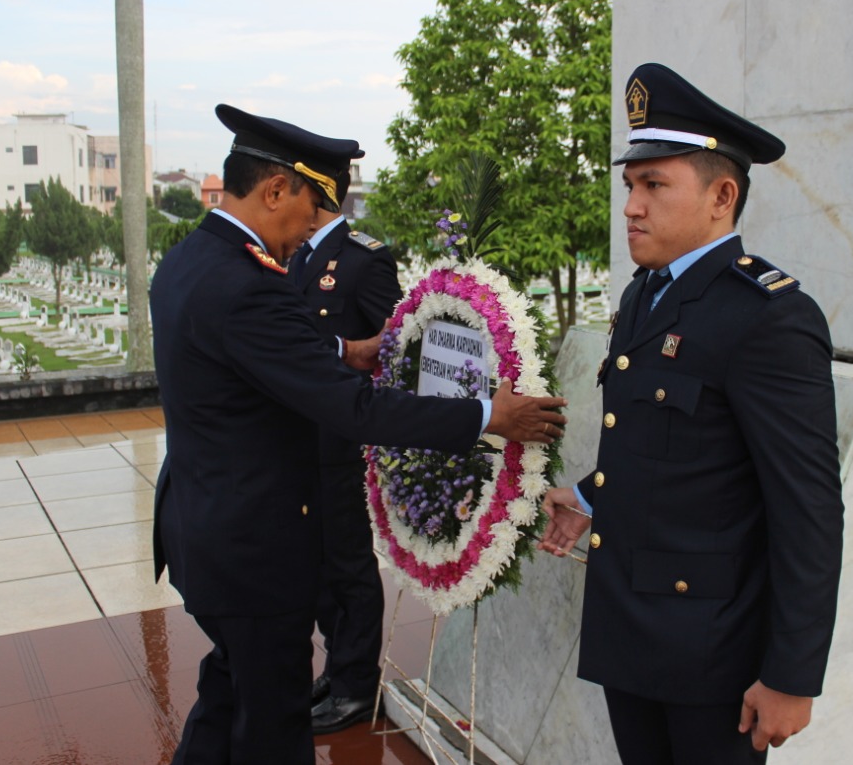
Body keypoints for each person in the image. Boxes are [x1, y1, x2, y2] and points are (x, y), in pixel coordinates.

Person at [151, 103, 568, 765]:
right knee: (272, 725)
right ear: (275, 189)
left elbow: (247, 352)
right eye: (310, 205)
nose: (308, 227)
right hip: (252, 548)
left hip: (201, 528)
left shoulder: (189, 262)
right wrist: (490, 416)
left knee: (229, 688)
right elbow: (357, 412)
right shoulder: (245, 284)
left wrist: (344, 347)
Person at [539, 63, 843, 765]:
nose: (632, 207)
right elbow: (659, 443)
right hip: (629, 627)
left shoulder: (768, 317)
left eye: (654, 185)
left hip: (713, 654)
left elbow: (809, 507)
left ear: (722, 196)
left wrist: (792, 675)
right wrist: (587, 496)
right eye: (629, 186)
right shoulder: (647, 294)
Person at [291, 184, 400, 734]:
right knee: (316, 563)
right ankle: (338, 666)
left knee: (348, 562)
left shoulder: (365, 260)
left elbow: (395, 347)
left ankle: (358, 684)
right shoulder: (293, 255)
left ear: (316, 195)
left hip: (340, 442)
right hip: (297, 440)